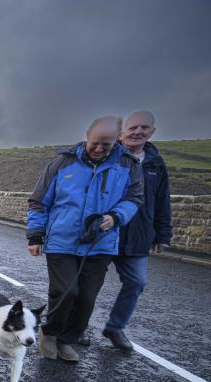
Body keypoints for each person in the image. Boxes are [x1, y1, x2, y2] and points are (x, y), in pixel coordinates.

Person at [27, 116, 144, 362]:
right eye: (95, 143)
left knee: (87, 297)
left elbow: (134, 199)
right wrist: (35, 235)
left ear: (117, 140)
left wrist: (115, 216)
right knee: (66, 290)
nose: (100, 149)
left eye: (107, 144)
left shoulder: (128, 165)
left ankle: (68, 340)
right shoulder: (62, 163)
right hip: (62, 240)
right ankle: (50, 333)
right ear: (87, 135)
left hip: (99, 242)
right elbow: (39, 201)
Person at [101, 111, 172, 351]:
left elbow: (162, 200)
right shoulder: (108, 156)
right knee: (87, 283)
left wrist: (163, 233)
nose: (137, 132)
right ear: (121, 133)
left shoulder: (155, 164)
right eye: (132, 128)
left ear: (152, 131)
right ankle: (75, 328)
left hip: (139, 234)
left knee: (137, 281)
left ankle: (115, 327)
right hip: (105, 231)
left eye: (144, 128)